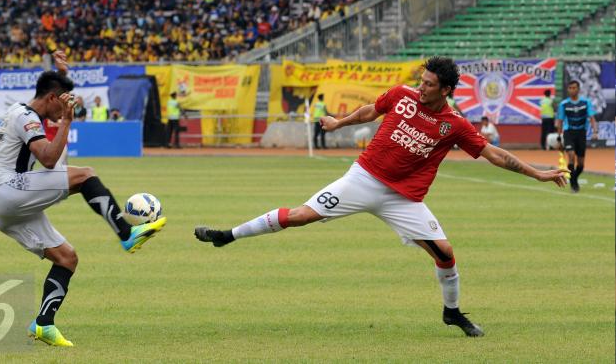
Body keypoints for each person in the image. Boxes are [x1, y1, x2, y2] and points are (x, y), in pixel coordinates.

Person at [194, 56, 567, 338]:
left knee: (445, 253)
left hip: (403, 199)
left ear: (447, 90)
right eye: (422, 81)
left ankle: (452, 313)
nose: (421, 88)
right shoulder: (402, 96)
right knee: (301, 216)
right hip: (363, 179)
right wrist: (339, 122)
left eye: (430, 84)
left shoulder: (455, 126)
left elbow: (494, 154)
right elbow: (373, 109)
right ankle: (229, 235)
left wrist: (538, 173)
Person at [0, 51, 166, 347]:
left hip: (0, 206)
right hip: (7, 190)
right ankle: (127, 233)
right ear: (53, 97)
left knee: (67, 258)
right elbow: (50, 160)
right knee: (85, 175)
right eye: (64, 100)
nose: (68, 105)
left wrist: (63, 73)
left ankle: (43, 324)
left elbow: (54, 96)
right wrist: (65, 121)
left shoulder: (25, 109)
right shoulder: (27, 118)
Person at [555, 80, 598, 193]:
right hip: (569, 133)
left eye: (574, 88)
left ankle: (574, 178)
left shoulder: (585, 102)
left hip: (581, 133)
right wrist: (559, 139)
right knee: (571, 155)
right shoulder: (564, 104)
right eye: (570, 88)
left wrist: (595, 132)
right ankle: (574, 185)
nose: (572, 90)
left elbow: (592, 118)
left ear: (578, 89)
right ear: (568, 89)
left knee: (581, 164)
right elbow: (560, 121)